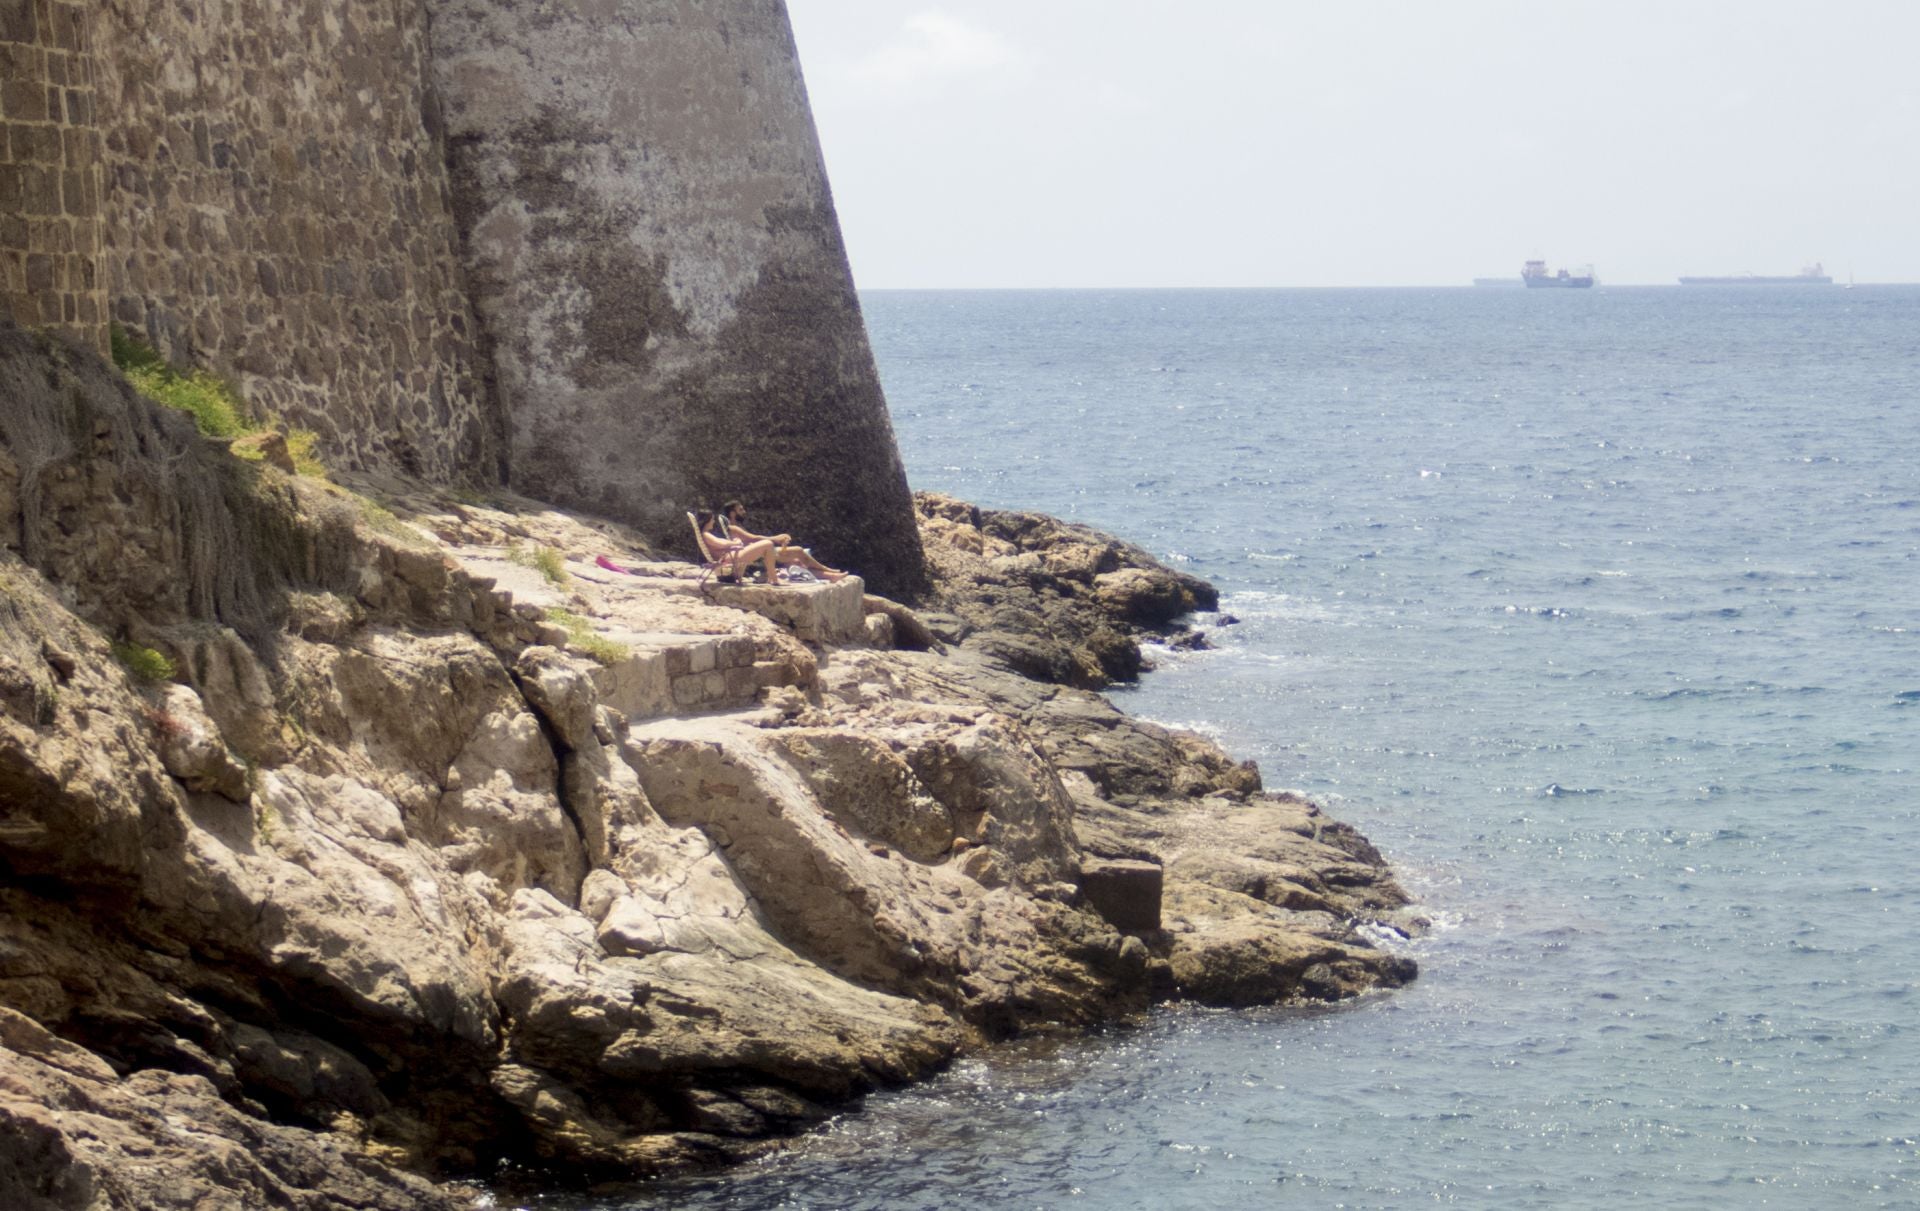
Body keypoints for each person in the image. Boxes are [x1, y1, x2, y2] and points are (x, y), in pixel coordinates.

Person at [720, 500, 847, 581]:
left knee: (796, 562)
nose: (744, 512)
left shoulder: (737, 526)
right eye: (740, 509)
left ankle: (831, 576)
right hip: (759, 557)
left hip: (761, 555)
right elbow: (754, 538)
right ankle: (827, 569)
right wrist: (776, 538)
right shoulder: (733, 528)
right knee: (798, 551)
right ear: (732, 513)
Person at [694, 508, 779, 584]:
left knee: (764, 546)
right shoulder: (706, 534)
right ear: (707, 521)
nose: (713, 521)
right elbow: (723, 544)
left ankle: (771, 577)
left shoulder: (707, 534)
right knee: (768, 544)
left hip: (730, 556)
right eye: (712, 519)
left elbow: (722, 543)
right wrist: (736, 543)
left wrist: (735, 541)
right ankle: (774, 578)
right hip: (730, 558)